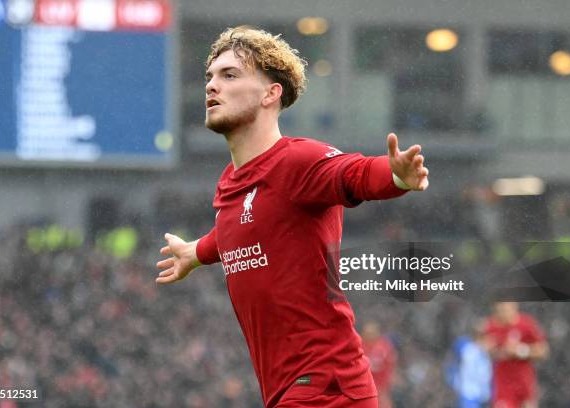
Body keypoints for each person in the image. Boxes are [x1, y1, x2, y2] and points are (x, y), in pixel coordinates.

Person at [156, 26, 429, 408]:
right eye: (210, 76)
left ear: (271, 93)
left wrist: (396, 175)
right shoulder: (232, 182)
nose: (212, 86)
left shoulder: (298, 160)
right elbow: (248, 228)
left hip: (325, 387)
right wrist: (197, 252)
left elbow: (355, 173)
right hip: (292, 389)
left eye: (230, 75)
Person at [482, 302, 549, 408]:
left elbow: (543, 350)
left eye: (506, 309)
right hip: (503, 385)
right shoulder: (491, 326)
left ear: (514, 306)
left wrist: (521, 351)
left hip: (524, 382)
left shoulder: (526, 324)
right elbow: (485, 349)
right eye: (500, 309)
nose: (503, 313)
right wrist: (493, 350)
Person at [446, 321, 492, 408]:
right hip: (468, 392)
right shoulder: (465, 346)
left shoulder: (491, 351)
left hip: (485, 394)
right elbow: (451, 360)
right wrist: (453, 379)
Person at [361, 321, 397, 408]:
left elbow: (390, 367)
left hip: (379, 388)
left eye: (372, 333)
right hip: (362, 387)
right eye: (368, 333)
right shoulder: (359, 345)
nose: (370, 335)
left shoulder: (384, 347)